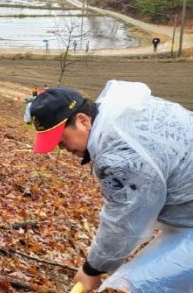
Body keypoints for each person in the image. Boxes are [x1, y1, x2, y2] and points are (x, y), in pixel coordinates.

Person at [29, 81, 193, 292]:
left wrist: (92, 269)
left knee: (130, 287)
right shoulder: (121, 113)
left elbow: (123, 224)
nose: (63, 148)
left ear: (83, 121)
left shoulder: (119, 155)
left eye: (62, 141)